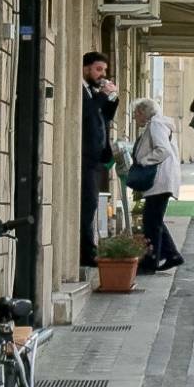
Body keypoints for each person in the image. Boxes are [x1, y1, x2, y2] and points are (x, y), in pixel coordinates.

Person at [127, 98, 183, 273]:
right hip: (162, 180)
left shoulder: (156, 125)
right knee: (153, 219)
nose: (135, 117)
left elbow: (162, 149)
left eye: (136, 113)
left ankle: (152, 260)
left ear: (143, 112)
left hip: (160, 180)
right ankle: (171, 255)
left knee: (152, 220)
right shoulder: (156, 124)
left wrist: (144, 161)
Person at [81, 52, 119, 272]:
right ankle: (86, 252)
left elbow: (104, 117)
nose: (102, 74)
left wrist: (112, 99)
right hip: (85, 157)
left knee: (92, 203)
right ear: (86, 68)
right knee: (87, 205)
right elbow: (85, 114)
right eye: (98, 69)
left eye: (104, 70)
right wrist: (102, 97)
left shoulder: (94, 93)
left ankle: (89, 248)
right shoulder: (84, 92)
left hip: (97, 158)